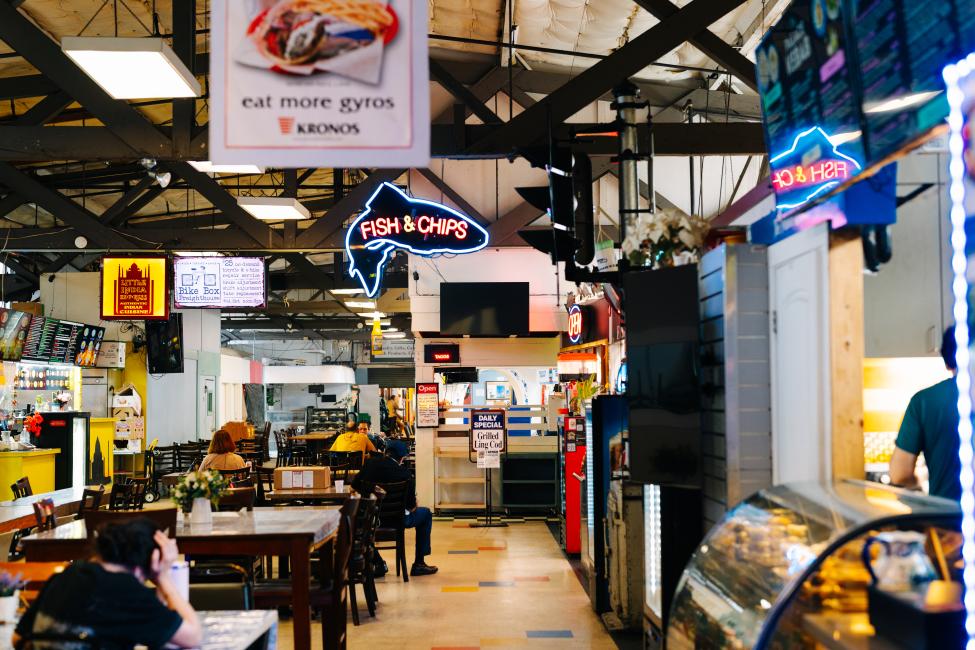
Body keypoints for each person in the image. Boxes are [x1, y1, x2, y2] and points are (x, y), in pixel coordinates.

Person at [14, 518, 202, 648]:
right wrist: (162, 576)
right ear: (150, 562)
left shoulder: (65, 576)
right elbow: (193, 636)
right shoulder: (129, 594)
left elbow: (18, 639)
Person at [890, 327, 961, 500]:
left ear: (947, 362)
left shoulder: (924, 402)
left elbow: (899, 474)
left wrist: (920, 480)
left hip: (948, 519)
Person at [352, 440, 438, 576]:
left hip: (372, 519)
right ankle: (419, 564)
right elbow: (412, 508)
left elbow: (355, 485)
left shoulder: (369, 465)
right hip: (398, 520)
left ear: (386, 452)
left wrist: (375, 491)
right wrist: (415, 503)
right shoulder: (404, 474)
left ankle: (378, 563)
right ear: (402, 458)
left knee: (359, 526)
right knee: (426, 514)